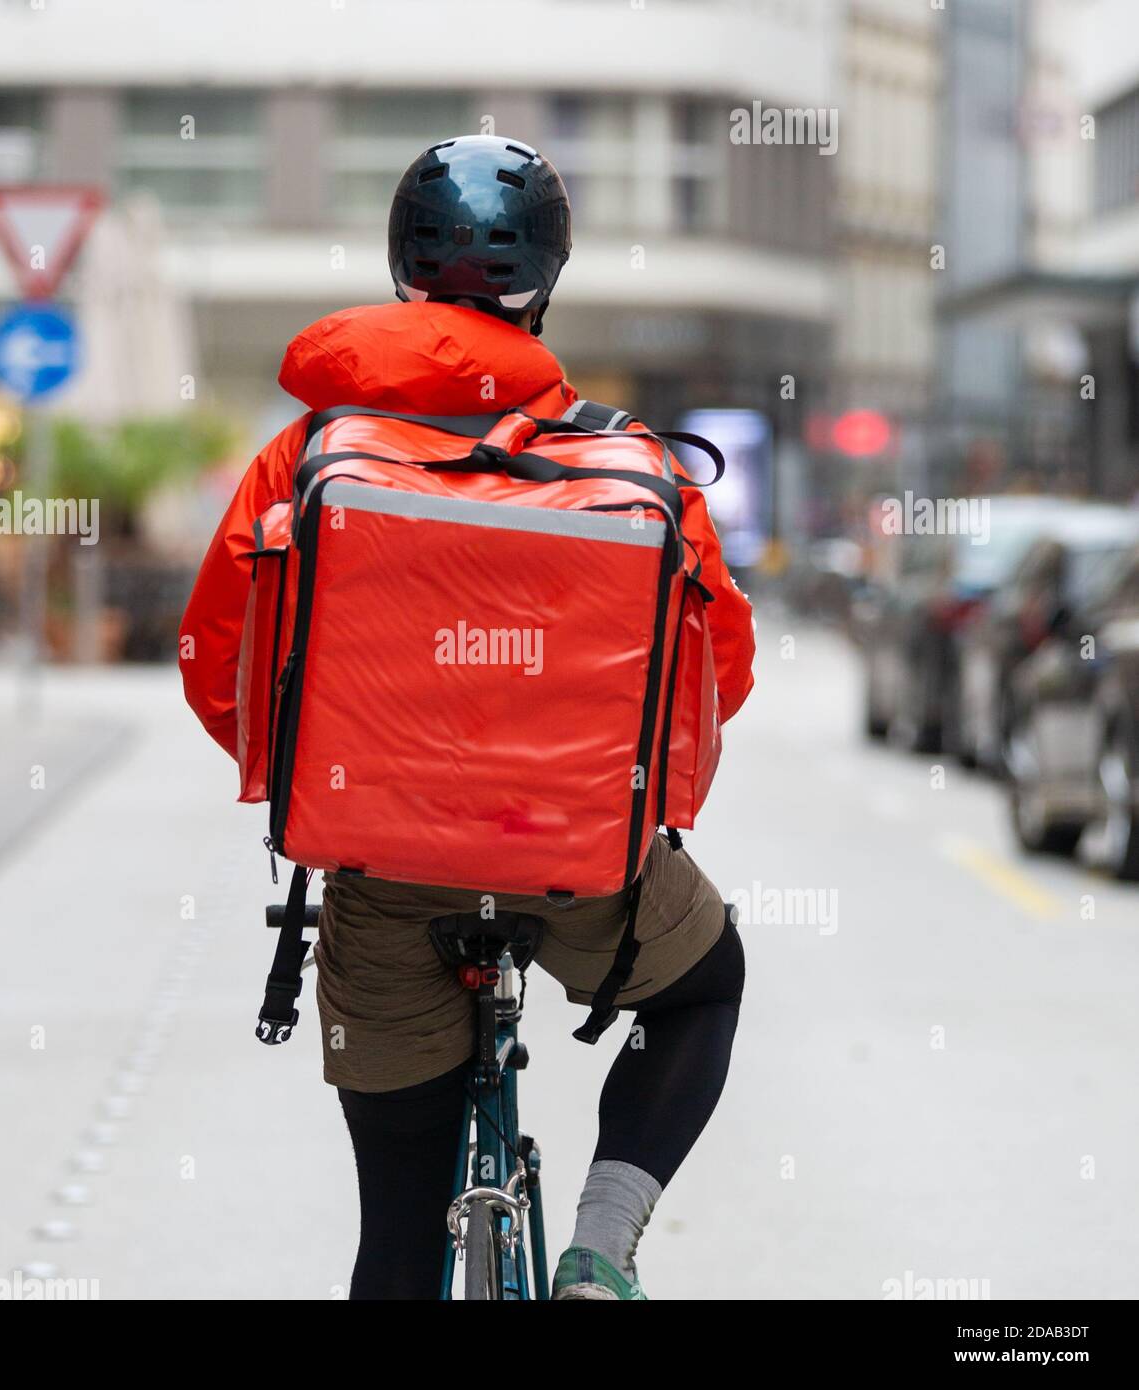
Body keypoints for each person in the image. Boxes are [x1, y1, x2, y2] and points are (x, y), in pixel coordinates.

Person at [180, 135, 756, 1300]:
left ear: (403, 265)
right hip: (585, 864)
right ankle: (598, 1244)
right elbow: (717, 669)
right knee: (705, 983)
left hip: (380, 870)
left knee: (394, 1237)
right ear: (548, 276)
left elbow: (219, 666)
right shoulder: (630, 460)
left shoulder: (305, 457)